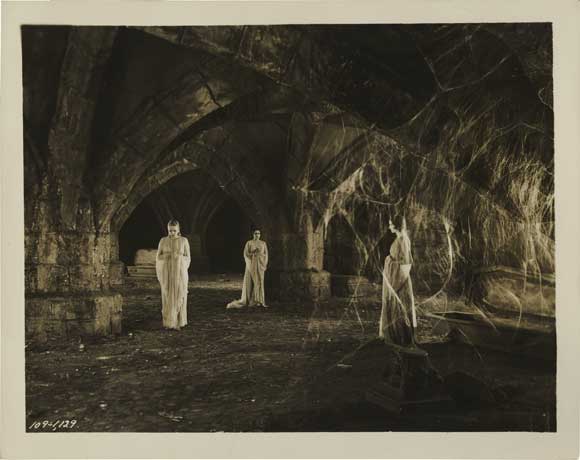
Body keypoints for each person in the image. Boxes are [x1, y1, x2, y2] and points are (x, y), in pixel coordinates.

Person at [379, 215, 417, 346]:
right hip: (394, 277)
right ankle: (395, 336)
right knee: (395, 310)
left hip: (400, 280)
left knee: (399, 309)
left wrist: (395, 285)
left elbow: (406, 264)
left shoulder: (403, 240)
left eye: (391, 224)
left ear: (397, 225)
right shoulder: (399, 239)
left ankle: (401, 338)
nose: (389, 227)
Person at [156, 220, 191, 330]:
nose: (172, 233)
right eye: (170, 231)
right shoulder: (163, 241)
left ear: (178, 230)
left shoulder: (184, 241)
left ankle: (179, 322)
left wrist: (179, 260)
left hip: (180, 272)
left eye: (174, 231)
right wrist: (166, 258)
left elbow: (188, 257)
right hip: (167, 272)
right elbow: (158, 257)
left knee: (180, 292)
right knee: (167, 294)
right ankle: (169, 322)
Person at [227, 229, 269, 309]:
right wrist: (253, 253)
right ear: (253, 234)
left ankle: (259, 300)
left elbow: (266, 254)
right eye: (255, 233)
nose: (257, 235)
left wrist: (263, 262)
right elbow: (246, 254)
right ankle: (251, 300)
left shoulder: (263, 243)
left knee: (260, 281)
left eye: (259, 233)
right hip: (252, 264)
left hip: (260, 265)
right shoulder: (249, 243)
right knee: (252, 281)